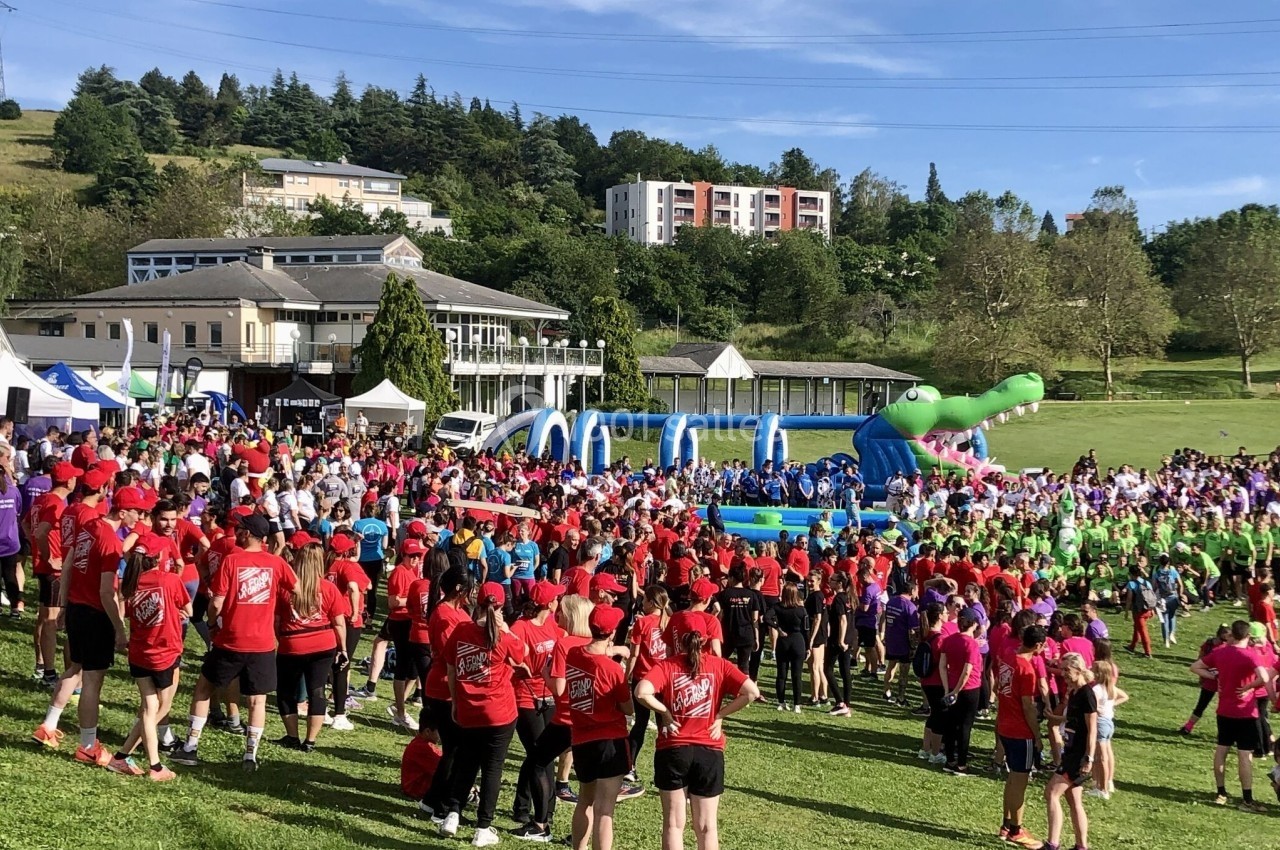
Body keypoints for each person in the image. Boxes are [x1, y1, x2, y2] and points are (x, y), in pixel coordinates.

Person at [172, 513, 298, 771]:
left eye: (240, 529)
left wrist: (210, 624)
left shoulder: (232, 561)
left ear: (246, 534)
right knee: (257, 700)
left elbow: (216, 601)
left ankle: (190, 746)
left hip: (230, 639)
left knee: (204, 689)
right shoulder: (275, 563)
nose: (237, 532)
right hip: (263, 643)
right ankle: (250, 755)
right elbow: (296, 589)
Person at [31, 486, 139, 762]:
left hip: (77, 608)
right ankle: (88, 746)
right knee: (92, 681)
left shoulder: (89, 527)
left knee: (74, 669)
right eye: (138, 512)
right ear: (123, 512)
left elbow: (67, 566)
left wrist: (65, 604)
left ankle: (49, 725)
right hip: (95, 614)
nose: (140, 518)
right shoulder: (110, 541)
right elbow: (106, 591)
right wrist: (119, 627)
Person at [635, 616, 761, 850]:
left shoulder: (667, 665)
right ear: (705, 638)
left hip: (673, 749)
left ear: (678, 639)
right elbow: (751, 692)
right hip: (709, 750)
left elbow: (642, 692)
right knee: (707, 827)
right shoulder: (719, 665)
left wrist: (665, 712)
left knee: (673, 825)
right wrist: (720, 715)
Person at [438, 581, 527, 847]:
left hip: (468, 708)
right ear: (501, 606)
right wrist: (506, 628)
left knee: (467, 762)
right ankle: (483, 827)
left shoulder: (461, 630)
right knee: (492, 769)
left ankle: (452, 814)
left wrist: (455, 701)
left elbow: (451, 668)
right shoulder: (502, 636)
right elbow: (522, 654)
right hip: (499, 712)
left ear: (477, 602)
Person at [108, 545, 192, 781]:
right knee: (159, 708)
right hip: (166, 652)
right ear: (159, 557)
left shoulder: (132, 583)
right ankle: (154, 766)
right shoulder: (170, 579)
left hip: (140, 653)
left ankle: (121, 757)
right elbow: (189, 609)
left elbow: (128, 612)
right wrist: (178, 613)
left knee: (149, 706)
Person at [516, 593, 593, 843]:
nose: (556, 614)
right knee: (587, 782)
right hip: (588, 720)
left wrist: (545, 673)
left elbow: (558, 688)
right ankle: (578, 836)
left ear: (571, 616)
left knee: (538, 762)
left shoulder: (565, 644)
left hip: (566, 717)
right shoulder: (593, 642)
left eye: (561, 611)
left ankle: (540, 824)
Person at [561, 604, 633, 850]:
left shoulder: (573, 654)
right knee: (605, 811)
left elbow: (591, 655)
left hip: (582, 739)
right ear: (612, 633)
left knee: (585, 801)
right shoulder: (612, 669)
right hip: (610, 740)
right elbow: (628, 708)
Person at [1190, 619, 1276, 811]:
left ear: (1232, 635)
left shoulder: (1220, 652)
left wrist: (1216, 677)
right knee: (1244, 755)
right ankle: (1247, 799)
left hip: (1224, 710)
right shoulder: (1250, 655)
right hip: (1246, 711)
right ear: (1247, 636)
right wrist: (1248, 687)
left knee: (1221, 750)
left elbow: (1195, 667)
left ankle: (1221, 792)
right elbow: (1263, 678)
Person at [275, 541, 348, 751]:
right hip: (323, 643)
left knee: (286, 691)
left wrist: (282, 640)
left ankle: (292, 736)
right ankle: (311, 741)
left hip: (292, 643)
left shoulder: (286, 588)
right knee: (317, 690)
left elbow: (277, 621)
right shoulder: (329, 588)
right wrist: (342, 649)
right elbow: (339, 623)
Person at [418, 566, 475, 823]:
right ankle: (439, 801)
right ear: (460, 590)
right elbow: (450, 651)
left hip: (454, 685)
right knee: (456, 748)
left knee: (457, 748)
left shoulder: (457, 611)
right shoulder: (443, 615)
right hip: (443, 687)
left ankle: (433, 799)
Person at [511, 579, 566, 827]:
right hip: (526, 697)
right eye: (556, 597)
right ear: (548, 602)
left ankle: (530, 809)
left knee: (542, 757)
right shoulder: (521, 627)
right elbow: (512, 657)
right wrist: (524, 667)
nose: (559, 601)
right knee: (537, 755)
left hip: (550, 697)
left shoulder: (553, 625)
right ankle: (540, 814)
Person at [996, 623, 1046, 848]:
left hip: (1004, 725)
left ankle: (1006, 825)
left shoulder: (1008, 655)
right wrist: (1037, 735)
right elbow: (1028, 706)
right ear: (1038, 645)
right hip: (1020, 731)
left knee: (1012, 779)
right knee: (1020, 781)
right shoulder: (1027, 670)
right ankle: (1017, 830)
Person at [1043, 653, 1097, 850]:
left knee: (1051, 793)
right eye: (1062, 669)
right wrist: (1053, 718)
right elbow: (1071, 720)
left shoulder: (1086, 695)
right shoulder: (1074, 693)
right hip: (1070, 750)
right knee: (1074, 800)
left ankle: (1052, 844)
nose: (1063, 674)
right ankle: (1081, 846)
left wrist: (1088, 758)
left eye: (1067, 670)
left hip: (1079, 756)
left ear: (1079, 670)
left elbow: (1092, 729)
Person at [624, 586, 671, 788]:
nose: (641, 604)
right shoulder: (670, 622)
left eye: (644, 601)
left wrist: (626, 677)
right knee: (664, 725)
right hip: (664, 680)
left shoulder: (642, 623)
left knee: (640, 724)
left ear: (651, 602)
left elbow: (634, 654)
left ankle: (629, 768)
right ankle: (665, 771)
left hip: (643, 679)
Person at [939, 607, 983, 776]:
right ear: (973, 624)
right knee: (965, 726)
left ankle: (950, 760)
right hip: (969, 688)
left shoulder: (949, 640)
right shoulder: (971, 644)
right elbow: (968, 670)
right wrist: (957, 691)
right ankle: (961, 765)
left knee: (951, 725)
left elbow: (943, 665)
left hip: (950, 686)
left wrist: (947, 689)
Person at [1088, 659, 1128, 799]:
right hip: (1108, 722)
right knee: (1102, 756)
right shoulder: (1109, 686)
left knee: (1101, 757)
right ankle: (1101, 785)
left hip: (1100, 723)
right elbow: (1124, 696)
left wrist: (1098, 709)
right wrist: (1110, 707)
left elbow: (1094, 707)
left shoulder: (1096, 689)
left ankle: (1103, 789)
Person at [767, 582, 809, 712]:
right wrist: (808, 647)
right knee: (797, 675)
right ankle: (797, 704)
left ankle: (781, 702)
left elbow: (766, 618)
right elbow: (806, 629)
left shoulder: (778, 607)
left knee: (781, 674)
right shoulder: (801, 610)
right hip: (798, 641)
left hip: (783, 641)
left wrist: (777, 628)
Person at [1182, 624, 1229, 736]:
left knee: (1224, 707)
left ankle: (1223, 732)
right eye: (1228, 635)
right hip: (1210, 680)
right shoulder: (1208, 644)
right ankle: (1188, 727)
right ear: (1220, 634)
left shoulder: (1227, 647)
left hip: (1224, 681)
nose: (1230, 638)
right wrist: (1201, 677)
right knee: (1201, 704)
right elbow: (1200, 659)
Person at [824, 572, 854, 718]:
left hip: (839, 639)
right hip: (849, 637)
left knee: (827, 669)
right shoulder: (850, 598)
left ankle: (840, 702)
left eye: (832, 580)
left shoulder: (838, 599)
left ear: (840, 583)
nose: (830, 582)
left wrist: (840, 640)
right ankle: (847, 705)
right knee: (845, 671)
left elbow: (843, 620)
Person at [803, 570, 829, 706]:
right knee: (819, 667)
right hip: (822, 634)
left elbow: (817, 618)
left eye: (812, 581)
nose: (809, 583)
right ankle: (823, 695)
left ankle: (814, 697)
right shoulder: (819, 596)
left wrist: (811, 639)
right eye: (808, 580)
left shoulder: (816, 597)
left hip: (816, 635)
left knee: (814, 667)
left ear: (819, 581)